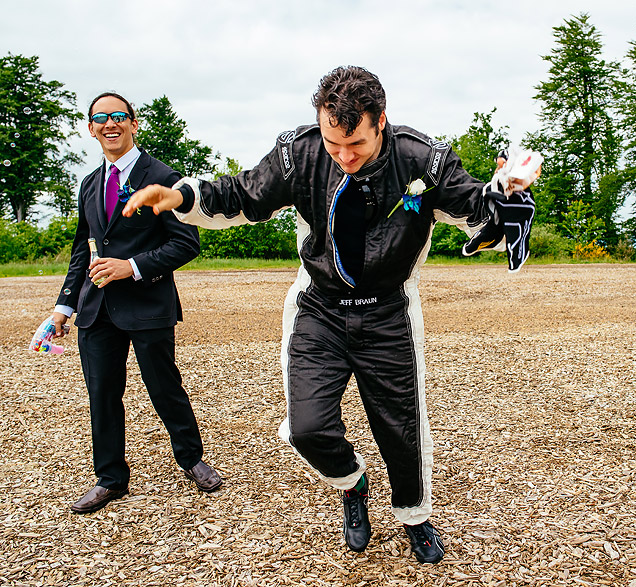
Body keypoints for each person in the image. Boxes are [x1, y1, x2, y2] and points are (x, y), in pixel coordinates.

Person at [123, 66, 536, 563]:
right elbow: (242, 194)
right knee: (306, 428)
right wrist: (181, 197)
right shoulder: (299, 155)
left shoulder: (423, 158)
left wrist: (506, 191)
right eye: (332, 142)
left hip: (388, 311)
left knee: (402, 428)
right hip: (319, 307)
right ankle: (352, 482)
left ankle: (414, 515)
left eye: (355, 144)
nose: (344, 157)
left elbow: (475, 208)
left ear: (380, 121)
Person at [52, 92, 222, 514]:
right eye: (100, 118)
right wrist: (65, 305)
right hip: (96, 309)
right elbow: (83, 248)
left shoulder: (163, 177)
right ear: (91, 128)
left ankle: (191, 459)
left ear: (133, 123)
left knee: (164, 387)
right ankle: (110, 479)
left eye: (118, 117)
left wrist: (132, 266)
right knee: (102, 394)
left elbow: (185, 243)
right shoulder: (89, 183)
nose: (110, 124)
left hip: (148, 303)